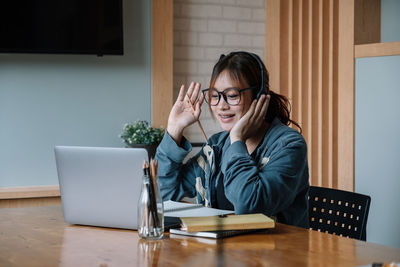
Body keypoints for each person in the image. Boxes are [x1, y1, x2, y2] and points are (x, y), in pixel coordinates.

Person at [156, 51, 309, 228]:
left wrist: (237, 140)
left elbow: (250, 205)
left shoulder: (288, 145)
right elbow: (164, 194)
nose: (221, 105)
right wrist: (174, 129)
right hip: (221, 253)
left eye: (232, 95)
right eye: (214, 95)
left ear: (259, 96)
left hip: (275, 253)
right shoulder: (217, 145)